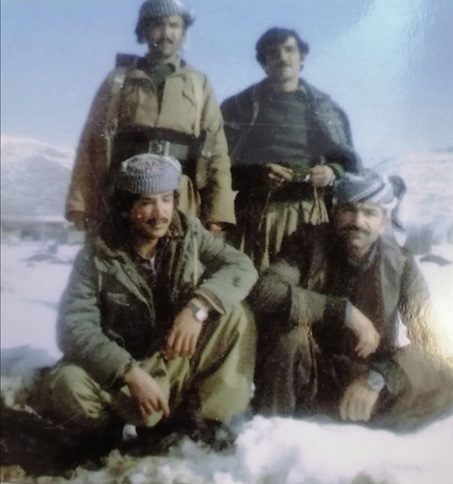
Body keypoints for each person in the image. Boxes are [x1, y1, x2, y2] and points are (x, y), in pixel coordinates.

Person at [31, 153, 257, 457]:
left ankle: (210, 423)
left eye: (167, 199)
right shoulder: (97, 254)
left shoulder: (188, 233)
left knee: (235, 314)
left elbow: (241, 266)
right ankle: (109, 436)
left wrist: (198, 306)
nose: (160, 213)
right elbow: (75, 327)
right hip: (123, 372)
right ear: (126, 208)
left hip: (172, 358)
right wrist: (129, 373)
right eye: (147, 202)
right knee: (68, 383)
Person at [250, 170, 453, 430]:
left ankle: (371, 428)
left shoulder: (400, 262)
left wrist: (381, 377)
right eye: (349, 210)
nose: (358, 221)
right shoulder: (308, 243)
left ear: (384, 222)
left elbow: (432, 339)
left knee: (444, 370)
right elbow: (265, 291)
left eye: (370, 213)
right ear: (335, 213)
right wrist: (340, 311)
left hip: (368, 375)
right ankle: (273, 432)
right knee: (289, 338)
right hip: (310, 373)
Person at [66, 0, 235, 235]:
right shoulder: (118, 80)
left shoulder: (198, 83)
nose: (166, 33)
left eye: (174, 25)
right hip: (125, 196)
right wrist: (80, 205)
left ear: (183, 31)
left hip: (178, 198)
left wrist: (218, 212)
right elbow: (91, 143)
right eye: (157, 25)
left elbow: (216, 150)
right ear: (144, 30)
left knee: (179, 256)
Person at [221, 27, 361, 271]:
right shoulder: (239, 107)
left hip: (310, 213)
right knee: (255, 284)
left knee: (307, 284)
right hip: (257, 216)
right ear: (264, 62)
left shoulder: (325, 108)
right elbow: (219, 167)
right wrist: (257, 173)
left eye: (289, 50)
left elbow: (348, 163)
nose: (283, 57)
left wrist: (331, 171)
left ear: (302, 57)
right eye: (273, 53)